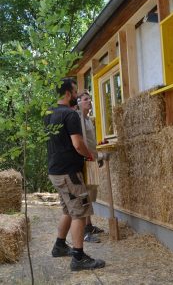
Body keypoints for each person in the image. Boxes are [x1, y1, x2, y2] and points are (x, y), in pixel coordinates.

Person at [44, 78, 105, 271]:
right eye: (76, 92)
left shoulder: (49, 114)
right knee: (80, 212)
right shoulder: (70, 116)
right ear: (69, 94)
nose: (78, 96)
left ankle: (60, 246)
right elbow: (78, 144)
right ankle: (79, 257)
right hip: (69, 173)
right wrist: (90, 157)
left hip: (55, 171)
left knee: (68, 211)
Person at [77, 90, 104, 243]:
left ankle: (89, 225)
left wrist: (97, 156)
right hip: (85, 161)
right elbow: (81, 142)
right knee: (86, 195)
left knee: (92, 193)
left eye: (90, 99)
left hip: (92, 160)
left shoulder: (88, 119)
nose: (89, 101)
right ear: (79, 102)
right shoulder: (79, 119)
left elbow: (92, 142)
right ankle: (85, 232)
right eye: (86, 99)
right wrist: (88, 158)